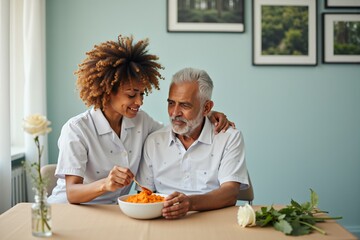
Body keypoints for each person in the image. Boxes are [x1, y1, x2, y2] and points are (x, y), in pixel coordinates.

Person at [48, 35, 233, 204]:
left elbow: (177, 126)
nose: (139, 102)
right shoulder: (77, 129)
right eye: (131, 95)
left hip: (113, 211)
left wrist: (206, 113)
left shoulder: (140, 121)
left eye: (142, 94)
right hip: (68, 210)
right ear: (107, 92)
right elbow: (72, 193)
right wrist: (105, 184)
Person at [136, 67, 249, 219]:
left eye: (185, 105)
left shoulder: (229, 138)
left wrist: (189, 203)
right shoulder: (154, 141)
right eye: (171, 103)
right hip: (164, 222)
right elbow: (143, 195)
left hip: (213, 221)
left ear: (206, 108)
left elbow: (230, 193)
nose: (175, 113)